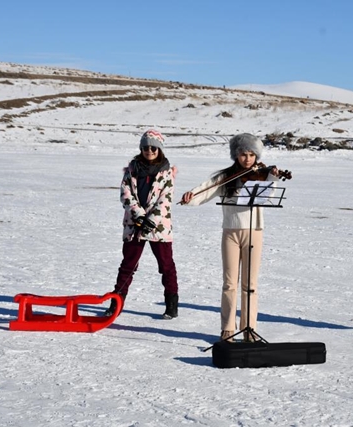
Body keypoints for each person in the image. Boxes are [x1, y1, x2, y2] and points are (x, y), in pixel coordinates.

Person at [180, 133, 280, 342]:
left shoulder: (262, 174)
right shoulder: (226, 177)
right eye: (243, 154)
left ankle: (249, 328)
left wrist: (272, 177)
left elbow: (269, 195)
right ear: (236, 154)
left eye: (252, 155)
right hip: (231, 232)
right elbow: (205, 190)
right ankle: (227, 327)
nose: (248, 159)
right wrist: (191, 196)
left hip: (254, 232)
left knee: (250, 284)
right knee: (229, 283)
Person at [105, 129, 179, 319]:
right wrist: (138, 215)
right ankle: (116, 303)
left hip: (159, 226)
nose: (149, 150)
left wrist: (151, 220)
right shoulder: (132, 170)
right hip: (134, 224)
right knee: (128, 264)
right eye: (146, 147)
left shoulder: (166, 172)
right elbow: (125, 193)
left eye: (153, 147)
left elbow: (166, 199)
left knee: (166, 265)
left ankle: (171, 305)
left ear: (159, 149)